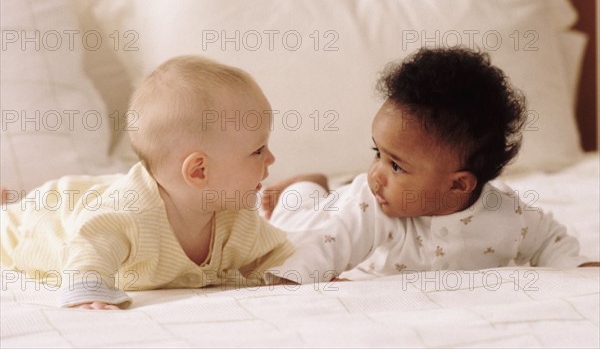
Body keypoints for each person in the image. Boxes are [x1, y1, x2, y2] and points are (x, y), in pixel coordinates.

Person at [262, 47, 598, 283]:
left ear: (458, 184)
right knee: (297, 215)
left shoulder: (507, 213)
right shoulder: (372, 203)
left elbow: (548, 240)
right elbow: (326, 242)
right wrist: (301, 278)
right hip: (324, 215)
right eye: (377, 152)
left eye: (397, 166)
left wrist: (579, 266)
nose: (376, 174)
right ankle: (306, 186)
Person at [1, 55, 295, 309]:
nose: (271, 159)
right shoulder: (128, 214)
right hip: (50, 217)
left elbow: (271, 256)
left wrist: (300, 273)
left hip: (97, 195)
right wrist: (87, 289)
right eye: (258, 150)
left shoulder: (236, 217)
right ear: (199, 171)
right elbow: (91, 244)